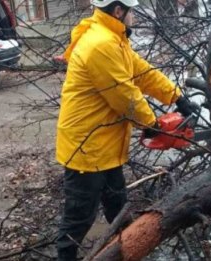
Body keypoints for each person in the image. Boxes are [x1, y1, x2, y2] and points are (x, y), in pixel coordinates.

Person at [55, 0, 197, 259]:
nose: (134, 15)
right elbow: (124, 95)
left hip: (103, 145)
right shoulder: (100, 44)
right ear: (118, 11)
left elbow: (141, 72)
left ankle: (123, 252)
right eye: (131, 10)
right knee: (78, 219)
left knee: (118, 207)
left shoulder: (112, 38)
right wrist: (152, 124)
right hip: (86, 147)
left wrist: (176, 97)